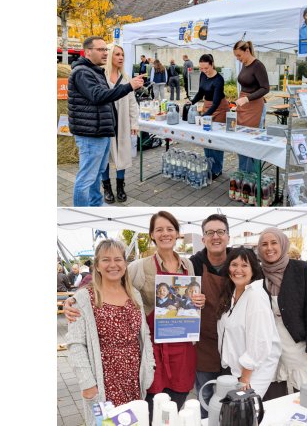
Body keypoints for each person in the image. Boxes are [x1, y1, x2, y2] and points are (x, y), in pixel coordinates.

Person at [63, 212, 207, 418]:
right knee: (107, 421)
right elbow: (105, 280)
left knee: (140, 417)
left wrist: (198, 301)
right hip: (114, 371)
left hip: (139, 370)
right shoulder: (139, 267)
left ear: (177, 233)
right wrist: (72, 300)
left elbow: (118, 280)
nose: (113, 264)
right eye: (159, 229)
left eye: (170, 229)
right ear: (151, 235)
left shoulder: (186, 266)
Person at [65, 239, 155, 422]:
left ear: (125, 264)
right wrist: (87, 383)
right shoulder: (84, 298)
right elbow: (75, 344)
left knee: (132, 422)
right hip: (103, 380)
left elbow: (144, 334)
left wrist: (150, 365)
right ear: (97, 265)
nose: (113, 265)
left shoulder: (133, 294)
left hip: (134, 378)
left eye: (118, 259)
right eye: (106, 260)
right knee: (108, 423)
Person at [68, 36, 145, 207]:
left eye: (105, 49)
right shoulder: (82, 72)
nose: (105, 53)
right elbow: (98, 96)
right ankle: (82, 214)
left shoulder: (95, 71)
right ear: (88, 51)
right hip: (90, 134)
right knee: (87, 178)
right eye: (101, 49)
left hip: (100, 131)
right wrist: (129, 86)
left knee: (96, 174)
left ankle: (96, 207)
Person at [256, 227, 307, 399]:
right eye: (264, 244)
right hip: (267, 341)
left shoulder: (301, 270)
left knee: (305, 389)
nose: (269, 248)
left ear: (283, 244)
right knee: (270, 386)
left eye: (274, 243)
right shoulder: (257, 273)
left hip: (295, 340)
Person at [216, 247, 282, 397]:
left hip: (252, 375)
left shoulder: (255, 296)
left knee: (246, 416)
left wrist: (245, 378)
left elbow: (259, 342)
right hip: (235, 371)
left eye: (244, 265)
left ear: (253, 269)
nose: (238, 269)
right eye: (234, 264)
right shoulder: (232, 292)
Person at [188, 214, 232, 418]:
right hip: (205, 347)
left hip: (234, 347)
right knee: (206, 400)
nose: (215, 237)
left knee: (233, 402)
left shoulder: (239, 263)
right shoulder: (192, 265)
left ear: (228, 237)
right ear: (203, 238)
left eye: (220, 232)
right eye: (210, 232)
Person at [97, 44, 140, 204]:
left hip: (121, 123)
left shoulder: (126, 78)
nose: (121, 57)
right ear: (109, 57)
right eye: (117, 54)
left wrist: (134, 123)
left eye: (122, 55)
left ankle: (120, 187)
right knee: (105, 157)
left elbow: (132, 103)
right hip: (106, 123)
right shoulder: (102, 77)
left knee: (122, 153)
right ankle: (107, 187)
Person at [187, 54, 230, 178]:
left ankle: (217, 169)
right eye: (201, 68)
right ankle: (208, 165)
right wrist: (192, 101)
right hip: (207, 106)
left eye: (206, 68)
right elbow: (201, 92)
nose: (204, 71)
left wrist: (203, 116)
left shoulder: (219, 79)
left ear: (212, 64)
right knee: (206, 137)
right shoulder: (202, 75)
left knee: (215, 139)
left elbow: (216, 103)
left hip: (219, 108)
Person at [232, 40, 270, 175]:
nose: (238, 58)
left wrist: (247, 98)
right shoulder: (245, 64)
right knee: (241, 141)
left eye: (239, 55)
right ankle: (242, 172)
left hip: (254, 107)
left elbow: (266, 88)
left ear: (247, 51)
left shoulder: (258, 66)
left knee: (251, 142)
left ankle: (252, 176)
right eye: (236, 56)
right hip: (243, 106)